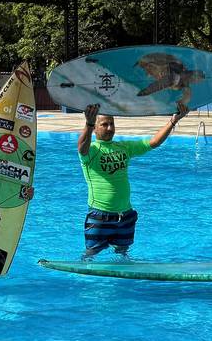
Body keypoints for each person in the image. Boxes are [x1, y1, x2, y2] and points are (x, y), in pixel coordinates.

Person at [77, 102, 188, 258]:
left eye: (111, 124)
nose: (109, 128)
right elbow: (81, 148)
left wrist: (174, 120)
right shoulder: (92, 150)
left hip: (125, 216)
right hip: (100, 216)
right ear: (95, 128)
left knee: (122, 253)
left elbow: (153, 142)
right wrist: (88, 123)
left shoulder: (124, 147)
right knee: (91, 253)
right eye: (104, 124)